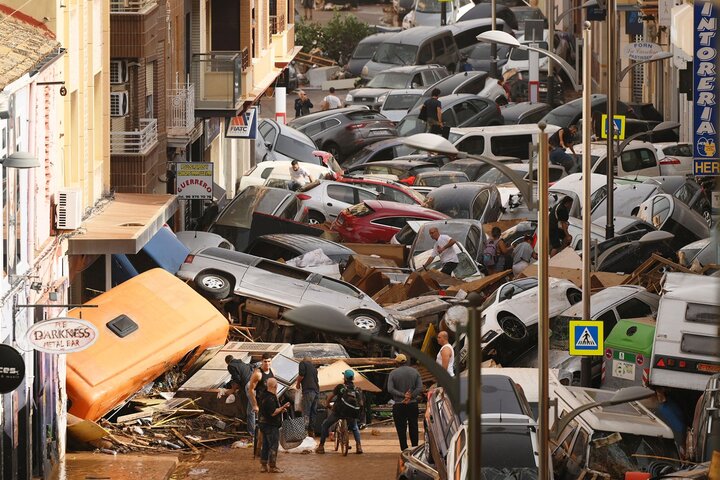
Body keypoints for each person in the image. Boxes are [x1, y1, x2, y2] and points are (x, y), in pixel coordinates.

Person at [316, 369, 364, 454]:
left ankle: (321, 446)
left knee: (325, 425)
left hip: (338, 412)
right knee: (354, 427)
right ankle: (359, 446)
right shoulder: (357, 389)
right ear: (353, 379)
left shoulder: (340, 387)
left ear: (345, 378)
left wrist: (327, 404)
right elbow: (361, 403)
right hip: (351, 413)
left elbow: (330, 397)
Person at [387, 354, 423, 451]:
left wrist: (403, 395)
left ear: (397, 363)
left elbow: (390, 389)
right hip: (412, 404)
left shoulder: (393, 373)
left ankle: (404, 449)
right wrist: (410, 396)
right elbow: (420, 387)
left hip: (399, 405)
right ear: (406, 361)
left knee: (401, 428)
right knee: (413, 426)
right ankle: (415, 448)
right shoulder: (415, 372)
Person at [258, 377, 291, 473]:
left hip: (263, 424)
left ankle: (263, 465)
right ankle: (272, 466)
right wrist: (283, 407)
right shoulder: (270, 398)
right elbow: (272, 412)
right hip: (270, 425)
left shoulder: (263, 395)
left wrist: (281, 409)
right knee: (273, 445)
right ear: (275, 386)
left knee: (265, 445)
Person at [219, 355, 255, 438]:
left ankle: (252, 433)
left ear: (227, 362)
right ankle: (255, 431)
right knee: (253, 409)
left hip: (248, 386)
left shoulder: (231, 366)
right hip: (254, 382)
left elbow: (237, 379)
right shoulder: (242, 363)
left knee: (250, 412)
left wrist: (233, 388)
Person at [248, 353, 276, 425]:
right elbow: (251, 390)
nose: (267, 363)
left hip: (270, 402)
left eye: (269, 361)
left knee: (272, 423)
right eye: (265, 361)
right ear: (262, 361)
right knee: (263, 425)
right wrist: (255, 405)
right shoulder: (258, 374)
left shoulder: (272, 371)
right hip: (261, 402)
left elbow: (274, 386)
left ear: (271, 361)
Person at [295, 356, 319, 436]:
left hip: (308, 391)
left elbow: (301, 375)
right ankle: (311, 432)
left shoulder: (302, 363)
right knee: (313, 412)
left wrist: (297, 384)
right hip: (316, 392)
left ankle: (304, 432)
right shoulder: (314, 368)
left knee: (306, 412)